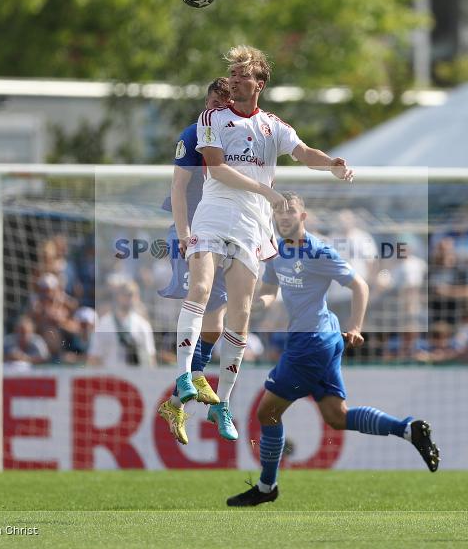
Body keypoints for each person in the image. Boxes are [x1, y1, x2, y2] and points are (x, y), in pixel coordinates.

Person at [158, 45, 354, 445]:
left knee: (241, 314)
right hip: (214, 212)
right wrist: (266, 191)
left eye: (242, 74)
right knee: (200, 288)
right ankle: (183, 377)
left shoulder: (272, 125)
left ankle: (221, 404)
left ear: (259, 83)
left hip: (252, 226)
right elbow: (215, 167)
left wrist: (331, 163)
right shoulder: (212, 116)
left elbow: (303, 152)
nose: (233, 79)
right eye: (231, 73)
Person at [226, 192, 439, 507]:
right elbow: (270, 293)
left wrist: (356, 326)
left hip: (311, 342)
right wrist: (251, 304)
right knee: (336, 417)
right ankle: (409, 430)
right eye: (278, 212)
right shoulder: (275, 251)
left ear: (303, 217)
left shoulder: (319, 251)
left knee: (267, 412)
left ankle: (267, 486)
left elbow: (360, 285)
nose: (283, 217)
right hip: (317, 339)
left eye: (290, 212)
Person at [158, 78, 233, 406]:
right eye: (211, 104)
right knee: (199, 297)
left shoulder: (239, 139)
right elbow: (178, 187)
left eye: (222, 106)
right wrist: (184, 232)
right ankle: (185, 376)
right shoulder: (192, 136)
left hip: (224, 233)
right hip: (191, 230)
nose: (214, 111)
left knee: (218, 317)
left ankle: (188, 385)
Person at [89, 278, 156, 368]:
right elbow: (94, 358)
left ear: (137, 297)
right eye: (125, 294)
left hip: (136, 379)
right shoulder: (104, 324)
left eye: (131, 294)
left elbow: (150, 359)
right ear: (118, 296)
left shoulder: (143, 325)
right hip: (110, 379)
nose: (128, 298)